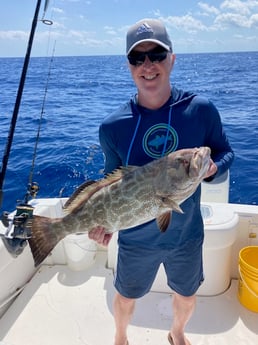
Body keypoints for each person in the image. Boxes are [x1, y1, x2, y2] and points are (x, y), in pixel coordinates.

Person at [88, 18, 234, 345]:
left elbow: (225, 153)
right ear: (128, 65)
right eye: (137, 58)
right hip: (135, 238)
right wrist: (105, 223)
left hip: (186, 233)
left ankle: (177, 332)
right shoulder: (113, 126)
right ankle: (121, 337)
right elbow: (112, 182)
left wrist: (211, 170)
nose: (147, 65)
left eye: (156, 54)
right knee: (125, 297)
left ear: (172, 58)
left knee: (186, 295)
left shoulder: (200, 109)